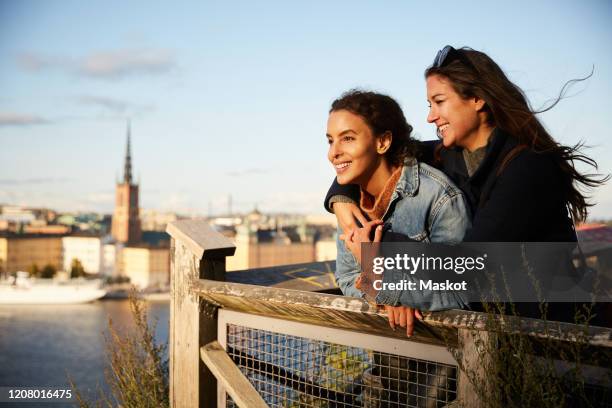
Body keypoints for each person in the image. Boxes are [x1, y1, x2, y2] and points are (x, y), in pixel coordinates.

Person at [326, 46, 609, 329]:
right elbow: (377, 161)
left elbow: (471, 263)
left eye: (439, 102)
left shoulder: (526, 168)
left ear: (477, 98)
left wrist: (377, 245)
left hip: (546, 330)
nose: (431, 117)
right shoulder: (450, 154)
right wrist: (341, 197)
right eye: (429, 105)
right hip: (491, 330)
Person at [326, 89, 471, 335]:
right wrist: (388, 297)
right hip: (388, 358)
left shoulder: (438, 197)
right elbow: (347, 276)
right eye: (330, 140)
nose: (333, 153)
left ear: (382, 142)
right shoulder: (350, 204)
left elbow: (461, 293)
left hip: (448, 359)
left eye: (348, 138)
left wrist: (388, 286)